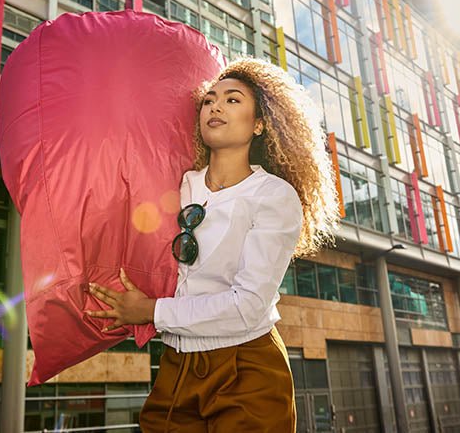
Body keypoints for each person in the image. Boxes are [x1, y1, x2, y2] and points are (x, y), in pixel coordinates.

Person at [85, 58, 340, 432]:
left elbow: (249, 306)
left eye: (233, 100)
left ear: (259, 124)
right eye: (208, 100)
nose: (216, 106)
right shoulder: (181, 183)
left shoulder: (273, 195)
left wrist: (152, 311)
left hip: (246, 370)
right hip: (175, 367)